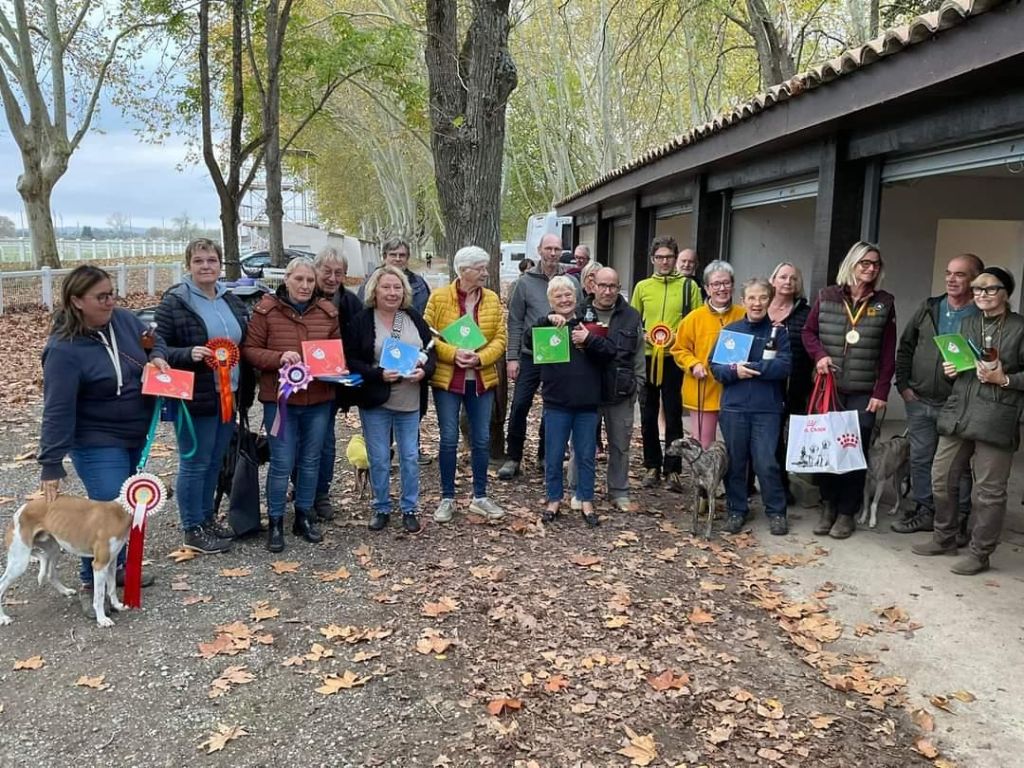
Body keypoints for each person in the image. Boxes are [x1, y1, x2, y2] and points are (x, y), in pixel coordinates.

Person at [38, 265, 168, 618]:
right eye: (102, 297)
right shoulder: (64, 350)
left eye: (113, 293)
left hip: (134, 435)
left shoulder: (125, 321)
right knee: (108, 507)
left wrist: (156, 358)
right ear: (77, 301)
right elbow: (57, 409)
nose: (111, 301)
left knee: (127, 507)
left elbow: (154, 341)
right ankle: (89, 581)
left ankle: (116, 567)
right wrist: (51, 462)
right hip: (96, 440)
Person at [912, 266, 1024, 575]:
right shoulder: (968, 322)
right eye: (977, 289)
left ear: (1006, 292)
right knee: (941, 476)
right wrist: (954, 370)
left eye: (989, 289)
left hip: (997, 416)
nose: (982, 295)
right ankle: (945, 536)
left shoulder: (1019, 327)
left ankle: (980, 552)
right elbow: (964, 367)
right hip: (960, 411)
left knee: (989, 491)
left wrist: (1005, 379)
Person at [155, 238, 249, 554]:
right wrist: (185, 354)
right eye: (199, 261)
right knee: (194, 462)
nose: (206, 266)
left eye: (211, 260)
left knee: (213, 463)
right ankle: (191, 527)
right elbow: (158, 347)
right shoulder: (175, 301)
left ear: (220, 264)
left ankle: (206, 519)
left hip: (229, 394)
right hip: (194, 397)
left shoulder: (231, 301)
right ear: (189, 266)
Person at [242, 257, 339, 552]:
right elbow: (250, 350)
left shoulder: (327, 312)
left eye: (310, 281)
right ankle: (274, 521)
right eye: (299, 279)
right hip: (280, 400)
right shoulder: (266, 310)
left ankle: (303, 516)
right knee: (282, 462)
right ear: (286, 279)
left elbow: (336, 351)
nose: (305, 286)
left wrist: (334, 367)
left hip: (319, 399)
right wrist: (279, 357)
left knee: (311, 460)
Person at [802, 241, 896, 539]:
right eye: (864, 263)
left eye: (875, 264)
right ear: (852, 264)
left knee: (853, 452)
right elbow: (808, 332)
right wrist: (819, 356)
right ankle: (828, 506)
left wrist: (881, 392)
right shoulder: (827, 296)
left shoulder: (884, 302)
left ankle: (847, 512)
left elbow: (887, 352)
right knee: (828, 450)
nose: (870, 269)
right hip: (830, 387)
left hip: (863, 391)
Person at [893, 253, 983, 535]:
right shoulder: (930, 307)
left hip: (956, 403)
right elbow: (906, 346)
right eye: (949, 273)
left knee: (957, 465)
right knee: (920, 458)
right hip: (919, 399)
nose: (951, 279)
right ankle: (925, 510)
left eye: (960, 274)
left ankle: (960, 516)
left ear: (975, 280)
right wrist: (904, 386)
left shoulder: (981, 315)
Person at [346, 265, 436, 533]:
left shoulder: (412, 318)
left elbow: (431, 351)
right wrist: (376, 374)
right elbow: (351, 359)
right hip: (376, 398)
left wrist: (424, 371)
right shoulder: (362, 320)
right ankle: (381, 507)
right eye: (386, 287)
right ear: (375, 289)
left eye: (397, 287)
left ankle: (409, 508)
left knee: (409, 456)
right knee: (379, 457)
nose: (392, 292)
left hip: (409, 399)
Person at [423, 246, 508, 523]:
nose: (485, 272)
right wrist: (453, 354)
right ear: (463, 270)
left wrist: (481, 358)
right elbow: (427, 336)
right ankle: (447, 498)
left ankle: (480, 497)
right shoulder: (439, 298)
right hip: (448, 380)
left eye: (485, 267)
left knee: (481, 438)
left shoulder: (493, 299)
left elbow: (500, 338)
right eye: (480, 268)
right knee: (448, 438)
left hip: (481, 379)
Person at [532, 276, 616, 526]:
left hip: (587, 404)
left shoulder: (588, 324)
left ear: (576, 296)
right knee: (554, 454)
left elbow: (609, 352)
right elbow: (528, 341)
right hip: (556, 403)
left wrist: (588, 340)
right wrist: (546, 320)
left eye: (568, 294)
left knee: (586, 454)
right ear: (551, 301)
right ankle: (554, 499)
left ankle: (586, 499)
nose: (564, 299)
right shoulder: (545, 326)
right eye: (558, 296)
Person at [711, 278, 792, 535]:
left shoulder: (779, 332)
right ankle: (736, 509)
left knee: (767, 461)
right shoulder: (732, 332)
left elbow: (784, 366)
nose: (757, 303)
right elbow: (716, 368)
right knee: (736, 463)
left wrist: (753, 368)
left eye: (762, 298)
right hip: (734, 408)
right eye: (752, 298)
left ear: (770, 300)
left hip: (767, 409)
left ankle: (776, 511)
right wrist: (735, 370)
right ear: (743, 301)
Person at [499, 233, 581, 479]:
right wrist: (512, 357)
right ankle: (513, 457)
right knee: (520, 405)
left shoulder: (570, 281)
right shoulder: (525, 282)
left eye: (557, 248)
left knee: (552, 407)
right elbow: (514, 322)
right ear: (540, 250)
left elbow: (579, 313)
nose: (553, 253)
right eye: (549, 248)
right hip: (529, 354)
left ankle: (546, 456)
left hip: (560, 353)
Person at [568, 268, 644, 511]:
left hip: (620, 391)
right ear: (593, 285)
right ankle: (578, 489)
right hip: (586, 391)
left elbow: (639, 353)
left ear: (619, 287)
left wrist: (638, 383)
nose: (608, 291)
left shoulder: (631, 316)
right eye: (603, 285)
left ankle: (619, 491)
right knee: (582, 443)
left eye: (613, 286)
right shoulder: (579, 313)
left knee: (620, 445)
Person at [631, 236, 703, 490]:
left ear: (676, 259)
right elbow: (633, 321)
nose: (664, 262)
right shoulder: (642, 287)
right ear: (653, 260)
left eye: (669, 257)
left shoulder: (689, 287)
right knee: (648, 413)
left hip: (675, 359)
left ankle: (673, 469)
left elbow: (697, 321)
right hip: (648, 358)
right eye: (660, 257)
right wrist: (644, 335)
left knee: (673, 414)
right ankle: (651, 465)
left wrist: (678, 338)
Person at [358, 237, 433, 465]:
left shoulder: (419, 284)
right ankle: (384, 454)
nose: (398, 259)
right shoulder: (370, 284)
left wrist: (423, 360)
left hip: (411, 357)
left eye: (402, 255)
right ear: (384, 257)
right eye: (393, 255)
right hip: (381, 360)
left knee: (411, 413)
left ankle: (412, 450)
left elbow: (426, 321)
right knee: (381, 417)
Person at [307, 245, 363, 521]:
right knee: (299, 442)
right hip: (299, 382)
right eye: (326, 271)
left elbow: (361, 342)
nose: (331, 277)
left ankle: (321, 495)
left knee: (325, 441)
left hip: (331, 386)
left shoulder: (351, 303)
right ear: (315, 270)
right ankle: (302, 491)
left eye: (337, 273)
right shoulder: (303, 296)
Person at [671, 260, 745, 448]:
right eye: (716, 284)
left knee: (737, 446)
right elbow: (679, 349)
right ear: (706, 288)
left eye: (726, 283)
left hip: (737, 391)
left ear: (733, 285)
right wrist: (693, 364)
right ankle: (705, 479)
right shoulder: (694, 318)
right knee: (704, 446)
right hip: (703, 389)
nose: (722, 288)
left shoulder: (743, 315)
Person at [768, 262, 813, 503]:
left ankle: (783, 485)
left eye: (793, 278)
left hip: (796, 384)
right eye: (783, 277)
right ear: (773, 280)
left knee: (788, 439)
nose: (787, 282)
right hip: (764, 385)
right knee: (768, 436)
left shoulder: (806, 313)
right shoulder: (759, 307)